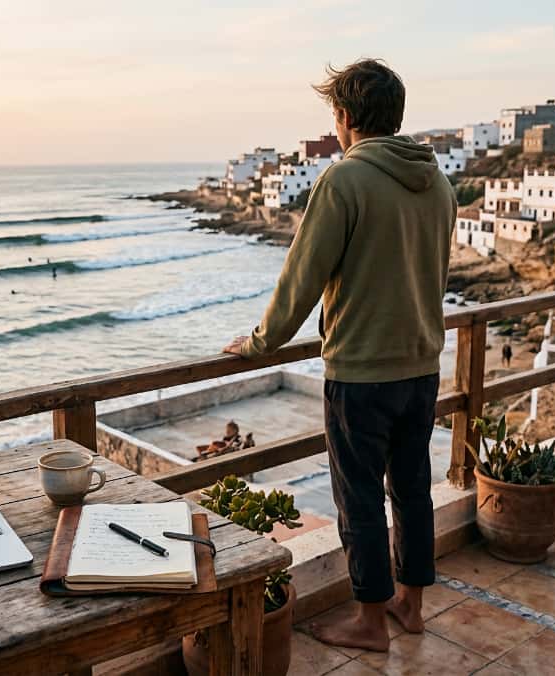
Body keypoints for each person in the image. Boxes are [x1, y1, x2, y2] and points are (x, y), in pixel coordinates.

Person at [223, 59, 455, 652]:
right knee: (411, 492)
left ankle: (370, 622)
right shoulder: (438, 183)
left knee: (359, 500)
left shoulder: (344, 181)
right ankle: (411, 606)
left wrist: (258, 342)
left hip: (361, 373)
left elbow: (301, 279)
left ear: (345, 117)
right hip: (422, 364)